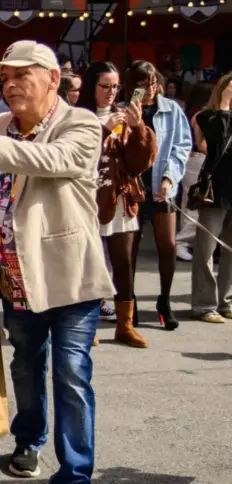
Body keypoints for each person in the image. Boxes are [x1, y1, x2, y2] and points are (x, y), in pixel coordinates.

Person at [0, 40, 114, 484]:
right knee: (24, 363)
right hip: (14, 278)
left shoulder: (80, 123)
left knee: (71, 376)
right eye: (5, 78)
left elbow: (55, 159)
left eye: (21, 75)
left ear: (53, 79)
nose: (10, 85)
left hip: (69, 279)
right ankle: (29, 438)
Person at [75, 62, 156, 347]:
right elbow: (75, 157)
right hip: (88, 199)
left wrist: (137, 127)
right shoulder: (76, 117)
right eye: (105, 86)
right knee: (89, 264)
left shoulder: (123, 114)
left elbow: (139, 163)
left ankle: (125, 325)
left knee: (124, 262)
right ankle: (87, 325)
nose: (111, 92)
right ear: (91, 86)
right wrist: (102, 130)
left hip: (120, 198)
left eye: (115, 86)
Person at [125, 61, 192, 330]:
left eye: (153, 83)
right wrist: (131, 119)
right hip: (132, 188)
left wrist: (168, 178)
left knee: (168, 246)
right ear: (133, 86)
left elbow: (181, 147)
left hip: (161, 187)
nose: (150, 89)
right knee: (130, 249)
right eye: (143, 84)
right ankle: (129, 302)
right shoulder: (126, 110)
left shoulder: (171, 109)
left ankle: (164, 301)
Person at [190, 72, 232, 323]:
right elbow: (217, 141)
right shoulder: (208, 117)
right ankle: (203, 305)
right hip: (215, 191)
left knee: (231, 251)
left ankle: (226, 301)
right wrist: (225, 105)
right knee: (206, 249)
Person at [175, 83, 215, 261]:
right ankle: (182, 242)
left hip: (195, 159)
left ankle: (185, 242)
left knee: (194, 201)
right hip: (198, 160)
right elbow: (203, 144)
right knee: (195, 201)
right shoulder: (200, 116)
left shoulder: (194, 113)